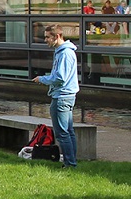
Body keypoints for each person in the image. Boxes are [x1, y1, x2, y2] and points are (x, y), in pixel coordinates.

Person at [32, 24, 80, 168]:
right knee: (68, 132)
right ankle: (71, 162)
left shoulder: (65, 53)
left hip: (62, 97)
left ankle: (70, 164)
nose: (45, 40)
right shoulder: (61, 51)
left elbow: (60, 77)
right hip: (65, 95)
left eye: (48, 37)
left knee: (62, 134)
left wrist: (42, 79)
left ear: (57, 36)